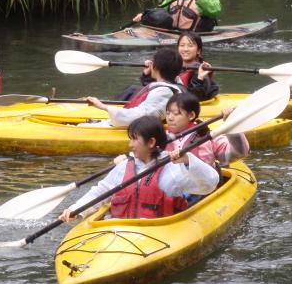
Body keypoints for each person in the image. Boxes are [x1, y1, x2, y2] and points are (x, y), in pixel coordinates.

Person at [58, 115, 220, 223]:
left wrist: (188, 160)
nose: (130, 144)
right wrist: (76, 210)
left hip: (157, 231)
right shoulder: (124, 167)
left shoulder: (173, 170)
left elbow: (210, 184)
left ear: (151, 142)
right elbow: (101, 191)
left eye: (134, 139)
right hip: (118, 229)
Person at [84, 47, 183, 126]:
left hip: (134, 130)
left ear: (156, 67)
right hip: (128, 124)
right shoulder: (168, 87)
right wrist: (147, 74)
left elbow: (139, 117)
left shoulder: (164, 92)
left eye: (153, 61)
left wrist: (103, 107)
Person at [163, 92, 249, 168]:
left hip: (203, 184)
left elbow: (239, 153)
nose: (170, 118)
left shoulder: (208, 136)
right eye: (167, 113)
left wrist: (231, 123)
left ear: (191, 115)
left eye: (176, 114)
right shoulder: (161, 138)